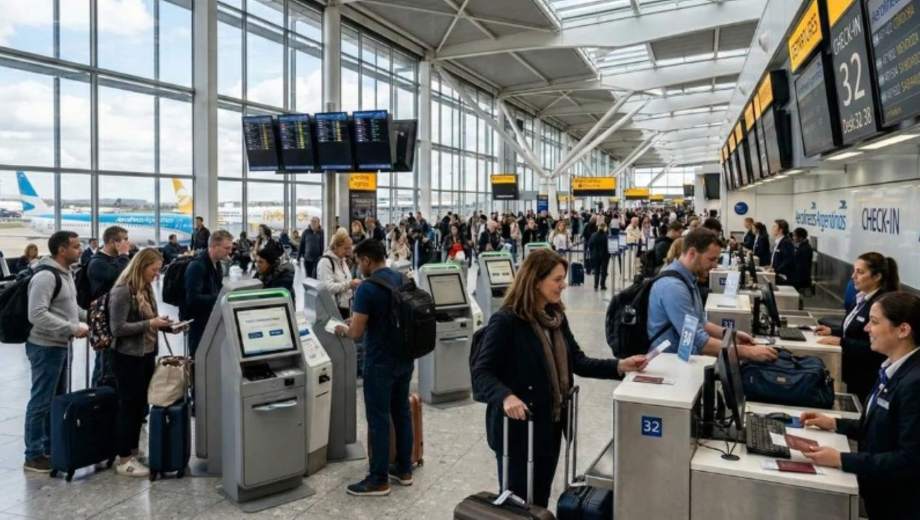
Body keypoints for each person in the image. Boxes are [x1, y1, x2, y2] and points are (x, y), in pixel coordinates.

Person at [470, 249, 649, 507]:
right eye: (557, 279)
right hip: (518, 430)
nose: (564, 285)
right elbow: (482, 372)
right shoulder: (507, 321)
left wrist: (621, 366)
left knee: (539, 498)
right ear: (535, 281)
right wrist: (506, 396)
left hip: (549, 425)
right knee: (517, 502)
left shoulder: (555, 318)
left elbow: (578, 361)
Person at [799, 292, 920, 519]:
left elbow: (910, 459)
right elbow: (881, 426)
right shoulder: (891, 368)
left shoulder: (914, 383)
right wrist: (835, 423)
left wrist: (842, 459)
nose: (866, 329)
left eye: (874, 322)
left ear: (903, 330)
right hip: (880, 494)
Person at [334, 239, 414, 496]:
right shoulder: (401, 279)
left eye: (359, 262)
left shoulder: (367, 289)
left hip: (380, 363)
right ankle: (404, 469)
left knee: (378, 418)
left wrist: (342, 329)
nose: (358, 267)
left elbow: (356, 333)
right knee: (401, 412)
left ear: (367, 260)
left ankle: (378, 479)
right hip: (404, 358)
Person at [647, 228, 778, 361]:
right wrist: (748, 352)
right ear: (692, 253)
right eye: (711, 259)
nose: (714, 265)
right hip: (667, 361)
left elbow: (700, 323)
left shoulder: (688, 279)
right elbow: (697, 339)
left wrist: (731, 335)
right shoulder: (673, 287)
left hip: (682, 358)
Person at [23, 231, 88, 473]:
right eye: (76, 246)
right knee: (41, 401)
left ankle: (50, 447)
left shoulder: (66, 273)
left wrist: (90, 317)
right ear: (62, 250)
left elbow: (70, 308)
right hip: (45, 347)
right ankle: (33, 455)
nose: (80, 249)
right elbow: (36, 314)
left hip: (60, 345)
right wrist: (71, 328)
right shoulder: (45, 276)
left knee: (56, 400)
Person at [109, 249, 174, 478]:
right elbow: (117, 328)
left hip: (146, 353)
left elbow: (149, 320)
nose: (156, 275)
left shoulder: (145, 288)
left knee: (139, 407)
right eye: (153, 270)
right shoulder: (122, 291)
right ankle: (124, 458)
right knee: (129, 406)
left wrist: (165, 325)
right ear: (141, 266)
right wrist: (150, 324)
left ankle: (133, 451)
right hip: (127, 357)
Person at [817, 252, 900, 402]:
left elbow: (876, 348)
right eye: (854, 271)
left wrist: (842, 342)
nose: (853, 276)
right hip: (853, 370)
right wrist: (833, 331)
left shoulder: (880, 305)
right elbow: (853, 331)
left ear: (877, 276)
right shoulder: (861, 298)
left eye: (860, 272)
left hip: (866, 375)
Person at [87, 225, 131, 386]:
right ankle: (99, 396)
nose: (127, 243)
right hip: (104, 323)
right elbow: (120, 277)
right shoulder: (97, 262)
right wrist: (124, 255)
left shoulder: (115, 260)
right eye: (124, 240)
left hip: (118, 319)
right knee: (105, 367)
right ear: (113, 242)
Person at [180, 230, 233, 359]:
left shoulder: (217, 263)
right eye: (226, 248)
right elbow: (192, 299)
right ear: (214, 246)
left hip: (210, 319)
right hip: (198, 324)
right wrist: (221, 298)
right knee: (199, 358)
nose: (230, 251)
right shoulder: (197, 266)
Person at [318, 229, 359, 319]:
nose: (348, 251)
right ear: (336, 247)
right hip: (332, 310)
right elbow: (327, 288)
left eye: (350, 248)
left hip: (344, 307)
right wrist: (349, 284)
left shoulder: (342, 260)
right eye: (346, 248)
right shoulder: (325, 262)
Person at [769, 219, 795, 285]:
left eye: (774, 226)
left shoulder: (786, 242)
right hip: (776, 273)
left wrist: (775, 270)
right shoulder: (778, 241)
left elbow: (788, 260)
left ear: (780, 230)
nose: (772, 228)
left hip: (782, 276)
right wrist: (771, 267)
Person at [588, 222, 611, 291]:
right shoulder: (606, 236)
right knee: (604, 271)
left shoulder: (593, 235)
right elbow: (608, 247)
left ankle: (596, 285)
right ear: (605, 228)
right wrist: (608, 255)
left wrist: (592, 253)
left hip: (595, 256)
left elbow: (590, 245)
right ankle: (602, 285)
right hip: (604, 256)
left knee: (596, 271)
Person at [791, 227, 813, 291]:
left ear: (800, 238)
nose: (793, 238)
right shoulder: (801, 246)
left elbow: (802, 266)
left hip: (801, 279)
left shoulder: (805, 249)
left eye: (794, 236)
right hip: (799, 278)